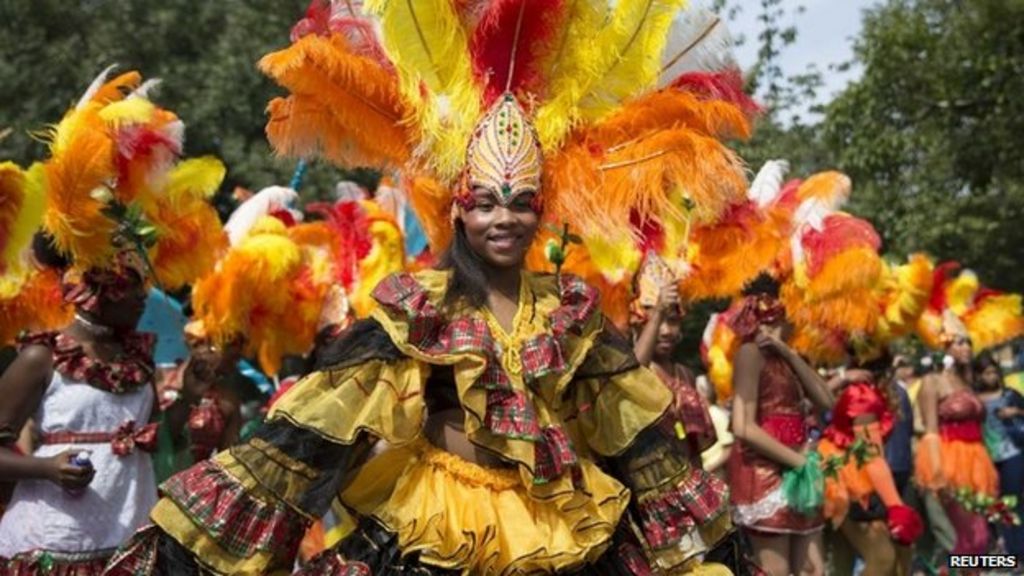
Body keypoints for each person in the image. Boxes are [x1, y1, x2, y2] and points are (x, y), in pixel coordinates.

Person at [0, 253, 209, 572]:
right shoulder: (42, 358)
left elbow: (154, 436)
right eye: (130, 286)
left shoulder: (137, 360)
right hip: (57, 538)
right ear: (94, 292)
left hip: (130, 530)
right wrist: (46, 468)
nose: (142, 297)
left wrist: (188, 397)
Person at [629, 257, 733, 572]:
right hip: (647, 508)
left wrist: (706, 502)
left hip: (688, 500)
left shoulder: (685, 375)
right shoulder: (632, 370)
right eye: (658, 320)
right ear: (636, 318)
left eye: (674, 321)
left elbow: (694, 452)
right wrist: (659, 307)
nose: (667, 330)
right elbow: (631, 375)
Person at [728, 274, 836, 576]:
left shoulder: (789, 356)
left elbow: (827, 401)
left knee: (811, 570)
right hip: (764, 474)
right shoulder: (749, 353)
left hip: (798, 472)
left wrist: (787, 352)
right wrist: (799, 461)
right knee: (776, 572)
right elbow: (742, 426)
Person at [819, 355, 923, 576]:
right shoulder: (861, 396)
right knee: (883, 558)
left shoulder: (888, 393)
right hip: (849, 483)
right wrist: (895, 506)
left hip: (868, 480)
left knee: (851, 561)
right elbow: (871, 457)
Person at [915, 314, 999, 557]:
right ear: (945, 346)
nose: (967, 348)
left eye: (968, 342)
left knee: (981, 535)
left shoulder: (967, 381)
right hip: (950, 461)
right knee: (966, 535)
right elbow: (930, 431)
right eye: (959, 342)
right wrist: (938, 472)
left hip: (978, 461)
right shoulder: (933, 382)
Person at [974, 352, 1024, 557]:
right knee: (998, 505)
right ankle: (1011, 552)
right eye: (987, 373)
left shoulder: (1009, 394)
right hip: (988, 458)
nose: (991, 377)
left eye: (994, 372)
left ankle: (1019, 551)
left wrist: (1016, 413)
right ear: (978, 376)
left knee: (1014, 501)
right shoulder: (974, 400)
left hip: (1013, 453)